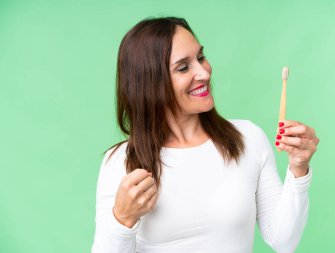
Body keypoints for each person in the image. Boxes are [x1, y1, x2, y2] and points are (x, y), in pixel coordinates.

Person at [91, 17, 319, 253]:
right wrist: (122, 219)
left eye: (200, 57)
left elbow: (284, 241)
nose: (204, 72)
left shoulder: (248, 138)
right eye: (183, 67)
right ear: (150, 83)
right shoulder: (120, 161)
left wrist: (299, 170)